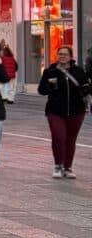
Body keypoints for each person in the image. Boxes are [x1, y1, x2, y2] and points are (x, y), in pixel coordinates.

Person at [38, 46, 89, 179]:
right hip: (55, 110)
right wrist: (49, 87)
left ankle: (68, 167)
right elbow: (41, 90)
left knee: (71, 140)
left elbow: (86, 88)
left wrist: (86, 89)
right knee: (59, 137)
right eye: (60, 54)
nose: (62, 56)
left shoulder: (78, 71)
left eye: (65, 54)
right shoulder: (50, 71)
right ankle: (58, 165)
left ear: (71, 56)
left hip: (76, 110)